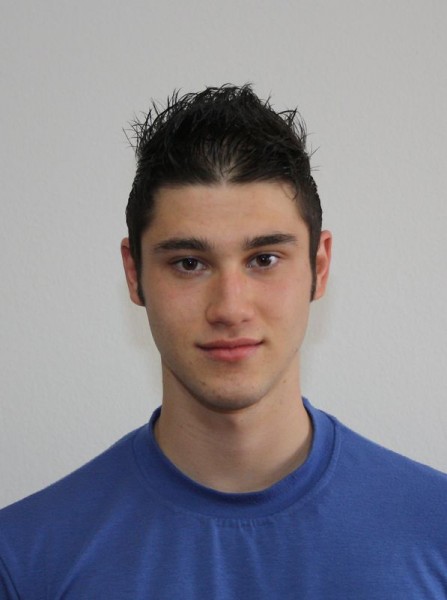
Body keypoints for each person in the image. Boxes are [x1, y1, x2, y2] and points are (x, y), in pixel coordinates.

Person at [0, 84, 446, 599]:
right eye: (189, 263)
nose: (230, 308)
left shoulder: (436, 530)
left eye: (264, 259)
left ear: (319, 267)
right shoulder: (25, 560)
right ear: (135, 273)